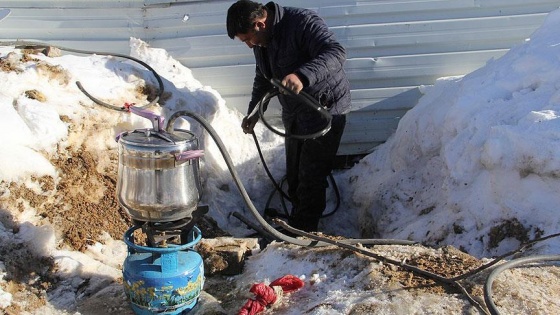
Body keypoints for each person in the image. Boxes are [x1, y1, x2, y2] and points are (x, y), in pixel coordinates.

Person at [226, 1, 351, 232]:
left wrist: (302, 76)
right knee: (294, 173)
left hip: (325, 110)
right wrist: (254, 111)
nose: (248, 45)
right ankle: (297, 222)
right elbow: (263, 77)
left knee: (311, 176)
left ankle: (304, 234)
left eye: (247, 40)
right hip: (294, 111)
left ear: (260, 24)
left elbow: (335, 52)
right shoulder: (261, 41)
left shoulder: (302, 22)